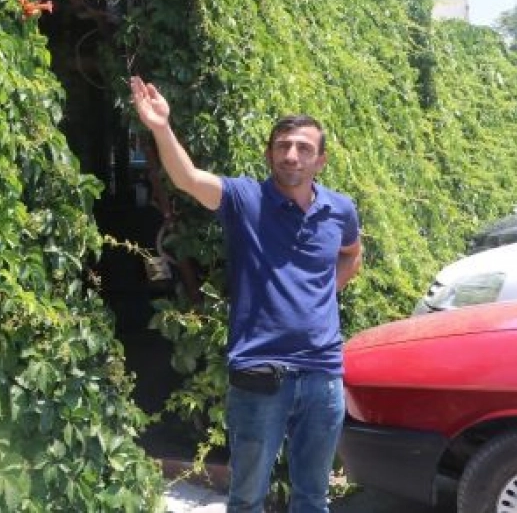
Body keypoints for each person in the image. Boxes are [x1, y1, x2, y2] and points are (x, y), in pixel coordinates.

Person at [129, 76, 362, 513]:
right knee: (248, 498)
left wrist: (323, 293)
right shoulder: (245, 199)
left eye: (304, 148)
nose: (291, 155)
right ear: (269, 154)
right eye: (283, 146)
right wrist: (161, 127)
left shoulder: (340, 210)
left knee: (313, 498)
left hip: (322, 373)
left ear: (320, 160)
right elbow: (188, 178)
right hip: (260, 373)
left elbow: (352, 253)